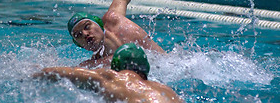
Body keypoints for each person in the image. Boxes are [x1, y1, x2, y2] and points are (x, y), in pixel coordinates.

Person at [33, 43, 183, 103]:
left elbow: (50, 72)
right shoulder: (165, 89)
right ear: (145, 69)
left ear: (115, 67)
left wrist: (28, 74)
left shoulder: (109, 76)